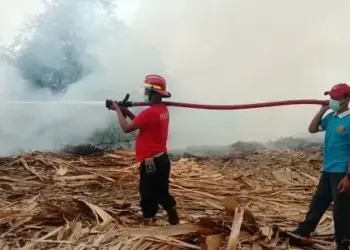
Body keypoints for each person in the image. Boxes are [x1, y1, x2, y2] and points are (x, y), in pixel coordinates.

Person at [106, 74, 179, 226]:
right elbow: (140, 123)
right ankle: (172, 215)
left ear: (154, 93)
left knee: (147, 195)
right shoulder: (161, 110)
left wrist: (117, 110)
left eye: (148, 91)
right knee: (161, 192)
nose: (146, 95)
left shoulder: (150, 113)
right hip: (161, 160)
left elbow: (127, 128)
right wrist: (125, 111)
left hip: (151, 163)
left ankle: (149, 224)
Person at [291, 83, 350, 250]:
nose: (332, 100)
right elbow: (312, 129)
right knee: (318, 203)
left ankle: (343, 244)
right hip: (328, 170)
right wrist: (322, 110)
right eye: (331, 97)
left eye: (336, 98)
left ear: (347, 99)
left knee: (341, 211)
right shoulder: (331, 117)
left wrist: (348, 177)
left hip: (342, 173)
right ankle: (304, 232)